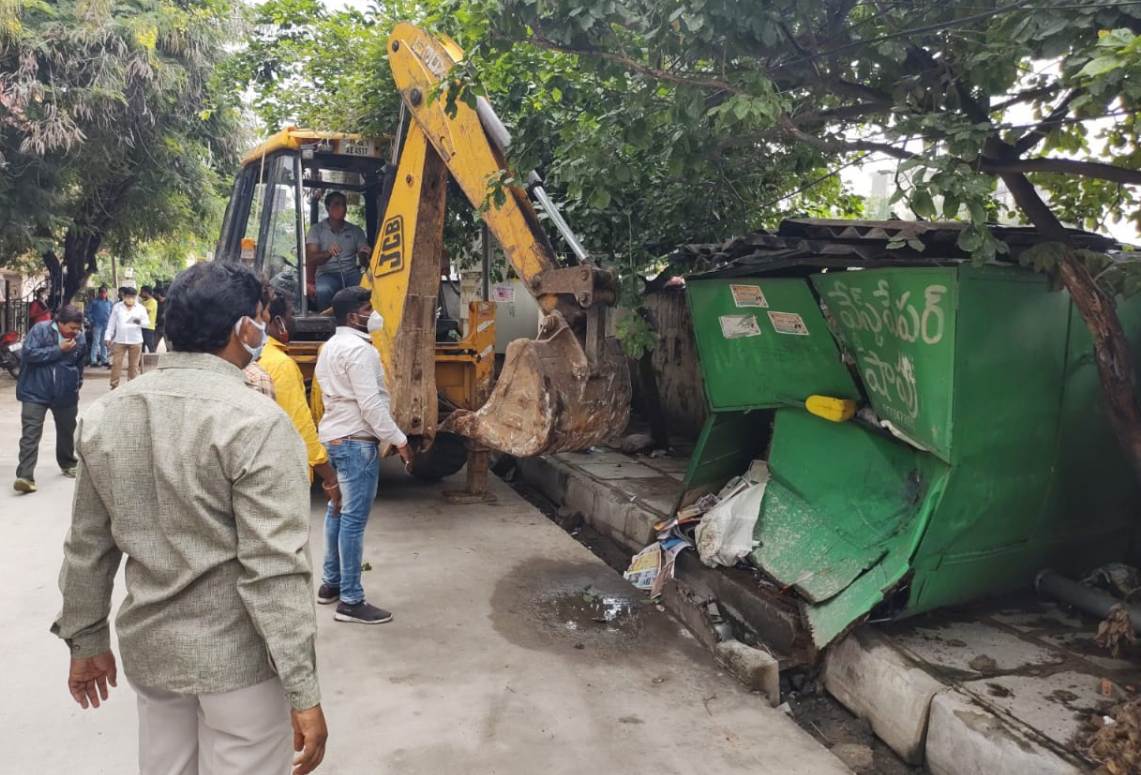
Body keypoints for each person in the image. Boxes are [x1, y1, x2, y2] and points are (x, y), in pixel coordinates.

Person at [51, 261, 328, 775]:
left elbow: (88, 545)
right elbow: (274, 570)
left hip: (153, 656)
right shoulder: (257, 423)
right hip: (239, 666)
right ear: (246, 328)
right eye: (263, 318)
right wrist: (302, 687)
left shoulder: (108, 415)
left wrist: (85, 639)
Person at [314, 286, 411, 625]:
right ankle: (351, 601)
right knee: (353, 520)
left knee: (336, 510)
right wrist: (399, 439)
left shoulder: (328, 348)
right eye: (369, 308)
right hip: (356, 442)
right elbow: (370, 405)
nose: (374, 314)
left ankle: (331, 584)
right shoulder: (361, 352)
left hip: (334, 438)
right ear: (354, 316)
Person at [259, 291, 341, 502]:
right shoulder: (280, 365)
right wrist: (330, 475)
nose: (293, 320)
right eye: (290, 315)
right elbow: (300, 425)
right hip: (284, 476)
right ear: (278, 321)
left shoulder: (254, 357)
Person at [13, 305, 86, 494]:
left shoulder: (80, 338)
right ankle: (25, 476)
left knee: (67, 430)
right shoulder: (40, 330)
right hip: (35, 391)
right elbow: (28, 355)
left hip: (65, 393)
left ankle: (68, 463)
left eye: (78, 328)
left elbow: (79, 364)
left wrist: (76, 384)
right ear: (59, 323)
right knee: (30, 433)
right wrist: (58, 349)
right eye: (71, 328)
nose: (75, 332)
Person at [306, 191, 371, 311]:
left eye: (344, 204)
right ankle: (325, 325)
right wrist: (328, 253)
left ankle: (362, 321)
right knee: (323, 291)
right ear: (327, 208)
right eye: (337, 204)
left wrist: (364, 254)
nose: (342, 208)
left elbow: (363, 262)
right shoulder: (316, 230)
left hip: (351, 273)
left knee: (367, 289)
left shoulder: (356, 231)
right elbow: (311, 258)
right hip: (327, 275)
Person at [105, 286, 148, 389]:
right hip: (120, 340)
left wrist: (137, 321)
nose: (130, 299)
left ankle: (131, 386)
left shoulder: (140, 308)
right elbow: (111, 323)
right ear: (124, 297)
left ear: (135, 297)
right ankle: (114, 386)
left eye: (132, 297)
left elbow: (146, 323)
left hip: (136, 340)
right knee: (116, 363)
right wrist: (108, 336)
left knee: (133, 365)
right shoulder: (117, 307)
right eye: (128, 297)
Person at [86, 286, 113, 367]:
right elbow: (88, 312)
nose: (103, 294)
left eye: (104, 292)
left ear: (107, 293)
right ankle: (93, 360)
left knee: (104, 343)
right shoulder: (94, 302)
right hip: (97, 325)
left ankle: (104, 359)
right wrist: (92, 321)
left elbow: (112, 314)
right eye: (101, 292)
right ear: (99, 293)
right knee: (95, 342)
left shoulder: (109, 303)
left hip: (106, 325)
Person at [139, 285, 159, 353]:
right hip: (141, 326)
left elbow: (146, 312)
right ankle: (140, 362)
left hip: (149, 327)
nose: (140, 293)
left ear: (146, 292)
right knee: (141, 346)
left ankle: (153, 361)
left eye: (141, 292)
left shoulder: (152, 301)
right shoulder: (142, 302)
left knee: (150, 345)